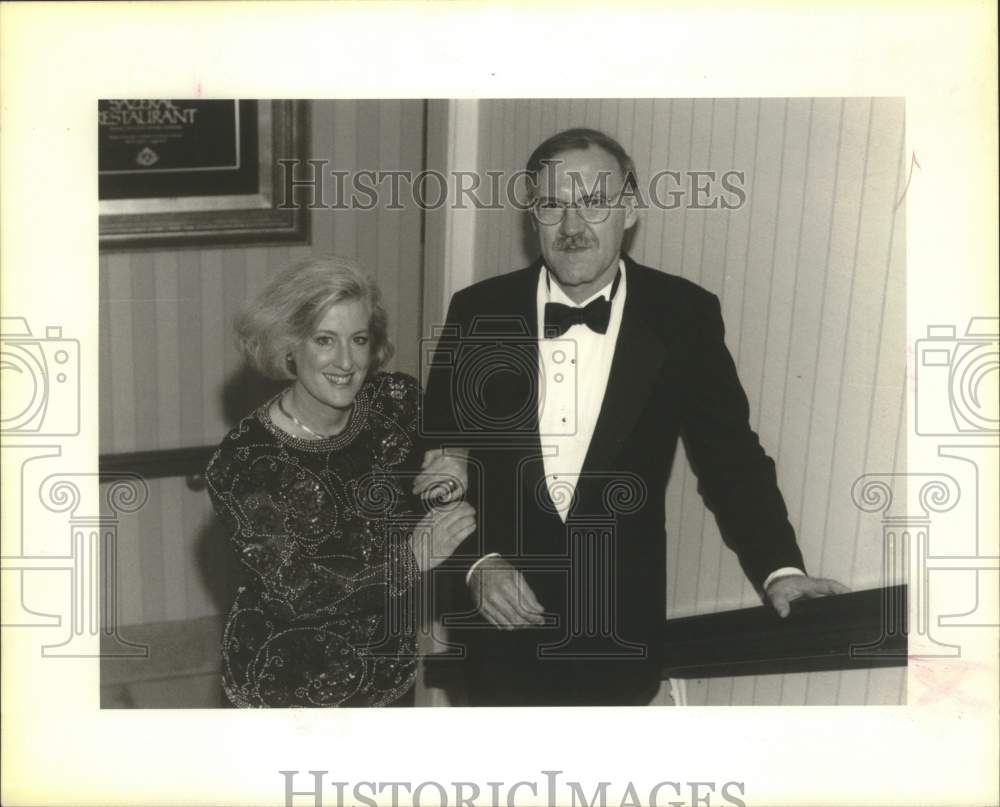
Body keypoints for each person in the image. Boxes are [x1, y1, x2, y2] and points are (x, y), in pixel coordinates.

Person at [419, 128, 848, 706]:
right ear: (532, 217)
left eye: (593, 202)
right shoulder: (476, 311)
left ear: (630, 209)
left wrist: (781, 571)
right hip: (497, 640)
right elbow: (435, 468)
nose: (572, 228)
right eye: (553, 205)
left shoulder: (683, 315)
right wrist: (475, 565)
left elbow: (730, 459)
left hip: (619, 638)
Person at [205, 255, 474, 707]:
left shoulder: (396, 404)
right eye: (325, 340)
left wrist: (455, 466)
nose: (346, 361)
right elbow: (295, 593)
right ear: (290, 346)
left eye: (359, 339)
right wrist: (413, 557)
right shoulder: (244, 463)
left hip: (388, 673)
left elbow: (454, 452)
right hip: (287, 690)